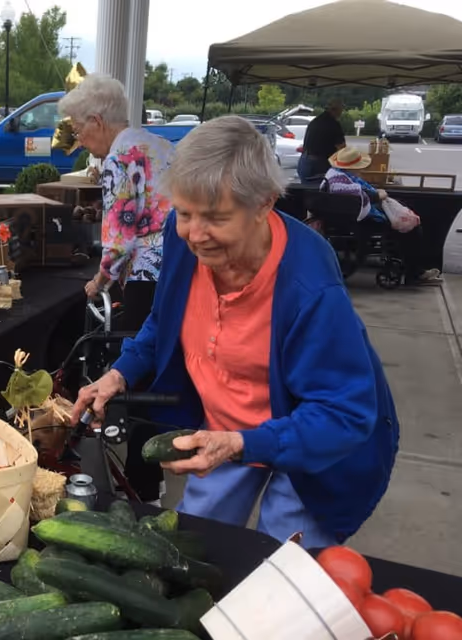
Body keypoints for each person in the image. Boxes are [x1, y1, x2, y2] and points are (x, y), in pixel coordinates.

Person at [71, 116, 399, 547]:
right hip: (225, 425)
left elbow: (344, 414)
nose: (195, 234)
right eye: (185, 213)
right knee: (195, 548)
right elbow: (165, 319)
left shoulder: (309, 287)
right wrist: (120, 373)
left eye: (215, 218)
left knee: (278, 570)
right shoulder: (181, 235)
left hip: (308, 444)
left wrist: (242, 444)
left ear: (264, 203)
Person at [58, 74, 175, 504]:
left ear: (96, 119)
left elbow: (121, 239)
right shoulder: (157, 145)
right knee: (160, 368)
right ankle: (153, 478)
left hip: (147, 274)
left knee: (134, 372)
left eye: (77, 127)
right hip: (180, 270)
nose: (79, 137)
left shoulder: (117, 158)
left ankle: (145, 491)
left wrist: (99, 280)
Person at [321, 146, 442, 285]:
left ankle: (413, 270)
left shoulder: (334, 175)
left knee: (407, 222)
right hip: (361, 220)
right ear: (352, 167)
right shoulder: (344, 183)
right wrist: (380, 193)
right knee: (411, 228)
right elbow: (368, 195)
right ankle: (414, 273)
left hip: (350, 216)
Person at [299, 98, 346, 181]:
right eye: (341, 110)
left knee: (306, 190)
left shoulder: (315, 121)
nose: (341, 113)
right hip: (319, 163)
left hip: (304, 161)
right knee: (320, 191)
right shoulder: (334, 124)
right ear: (336, 110)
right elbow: (341, 148)